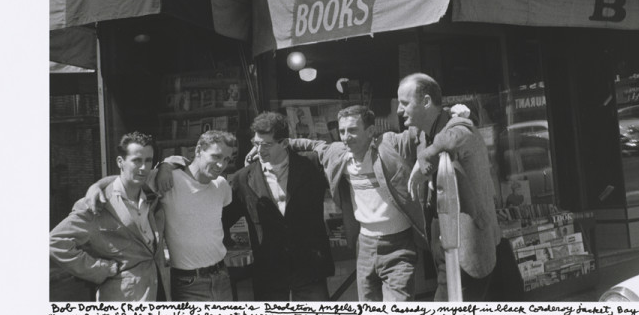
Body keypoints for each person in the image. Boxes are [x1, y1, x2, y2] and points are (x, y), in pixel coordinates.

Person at [161, 112, 334, 300]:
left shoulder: (312, 165)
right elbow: (220, 221)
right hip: (269, 275)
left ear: (284, 143)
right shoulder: (243, 178)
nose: (259, 150)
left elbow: (339, 149)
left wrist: (295, 143)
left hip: (310, 271)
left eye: (266, 144)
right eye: (256, 143)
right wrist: (167, 164)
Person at [277, 105, 428, 301]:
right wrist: (274, 145)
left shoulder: (389, 143)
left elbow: (421, 132)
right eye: (342, 131)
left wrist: (455, 115)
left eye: (353, 130)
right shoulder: (338, 154)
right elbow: (312, 145)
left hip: (399, 245)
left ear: (371, 131)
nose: (346, 136)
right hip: (364, 246)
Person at [84, 130, 237, 301]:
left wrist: (167, 163)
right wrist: (96, 186)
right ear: (199, 150)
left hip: (222, 276)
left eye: (226, 159)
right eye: (216, 156)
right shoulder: (169, 180)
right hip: (189, 283)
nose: (221, 165)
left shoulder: (221, 185)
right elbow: (126, 179)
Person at [399, 72, 502, 302]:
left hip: (468, 252)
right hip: (444, 251)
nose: (399, 109)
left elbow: (457, 135)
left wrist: (425, 157)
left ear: (426, 101)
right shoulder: (423, 134)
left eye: (405, 103)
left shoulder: (460, 125)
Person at [50, 132, 170, 301]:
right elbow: (55, 243)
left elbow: (180, 162)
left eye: (148, 160)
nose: (143, 167)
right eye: (136, 160)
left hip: (159, 293)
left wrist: (165, 165)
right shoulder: (98, 203)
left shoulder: (151, 196)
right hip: (122, 297)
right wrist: (102, 269)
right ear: (120, 162)